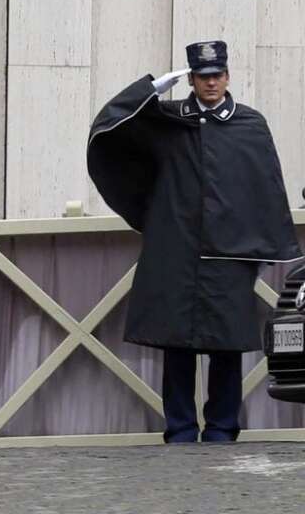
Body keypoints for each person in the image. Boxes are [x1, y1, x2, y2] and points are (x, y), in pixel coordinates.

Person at [86, 40, 298, 444]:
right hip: (176, 252)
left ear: (228, 76)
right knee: (176, 345)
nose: (211, 83)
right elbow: (113, 127)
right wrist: (149, 88)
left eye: (217, 75)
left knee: (227, 348)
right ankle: (180, 429)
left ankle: (222, 429)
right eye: (203, 77)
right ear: (192, 80)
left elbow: (266, 189)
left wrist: (265, 248)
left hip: (230, 256)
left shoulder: (250, 124)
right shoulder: (168, 121)